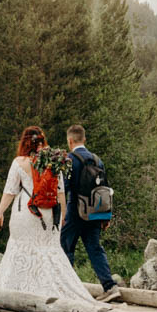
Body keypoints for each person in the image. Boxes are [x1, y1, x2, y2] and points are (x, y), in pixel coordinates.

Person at [0, 125, 93, 302]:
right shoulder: (52, 162)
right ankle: (54, 289)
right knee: (49, 250)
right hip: (48, 214)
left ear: (24, 143)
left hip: (26, 212)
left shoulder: (19, 163)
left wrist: (0, 212)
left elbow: (10, 191)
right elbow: (60, 192)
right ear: (43, 141)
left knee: (20, 248)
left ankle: (16, 292)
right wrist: (62, 216)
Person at [60, 124, 122, 302]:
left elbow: (65, 187)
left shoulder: (70, 159)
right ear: (84, 139)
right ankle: (110, 287)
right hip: (95, 212)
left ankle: (68, 289)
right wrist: (107, 215)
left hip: (74, 212)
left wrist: (61, 213)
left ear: (70, 141)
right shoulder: (97, 160)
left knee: (66, 248)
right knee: (95, 248)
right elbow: (106, 188)